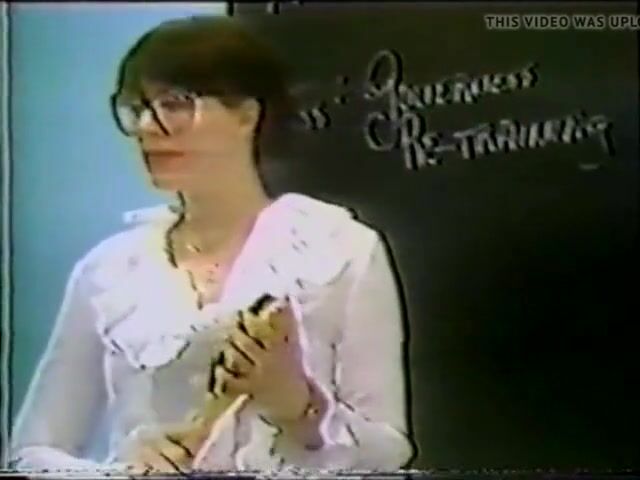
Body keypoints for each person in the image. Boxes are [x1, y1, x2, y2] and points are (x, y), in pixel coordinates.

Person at [10, 15, 414, 474]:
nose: (147, 126)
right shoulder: (108, 271)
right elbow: (29, 456)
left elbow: (388, 452)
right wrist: (121, 472)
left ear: (247, 115)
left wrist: (297, 404)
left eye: (175, 104)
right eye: (136, 108)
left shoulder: (339, 250)